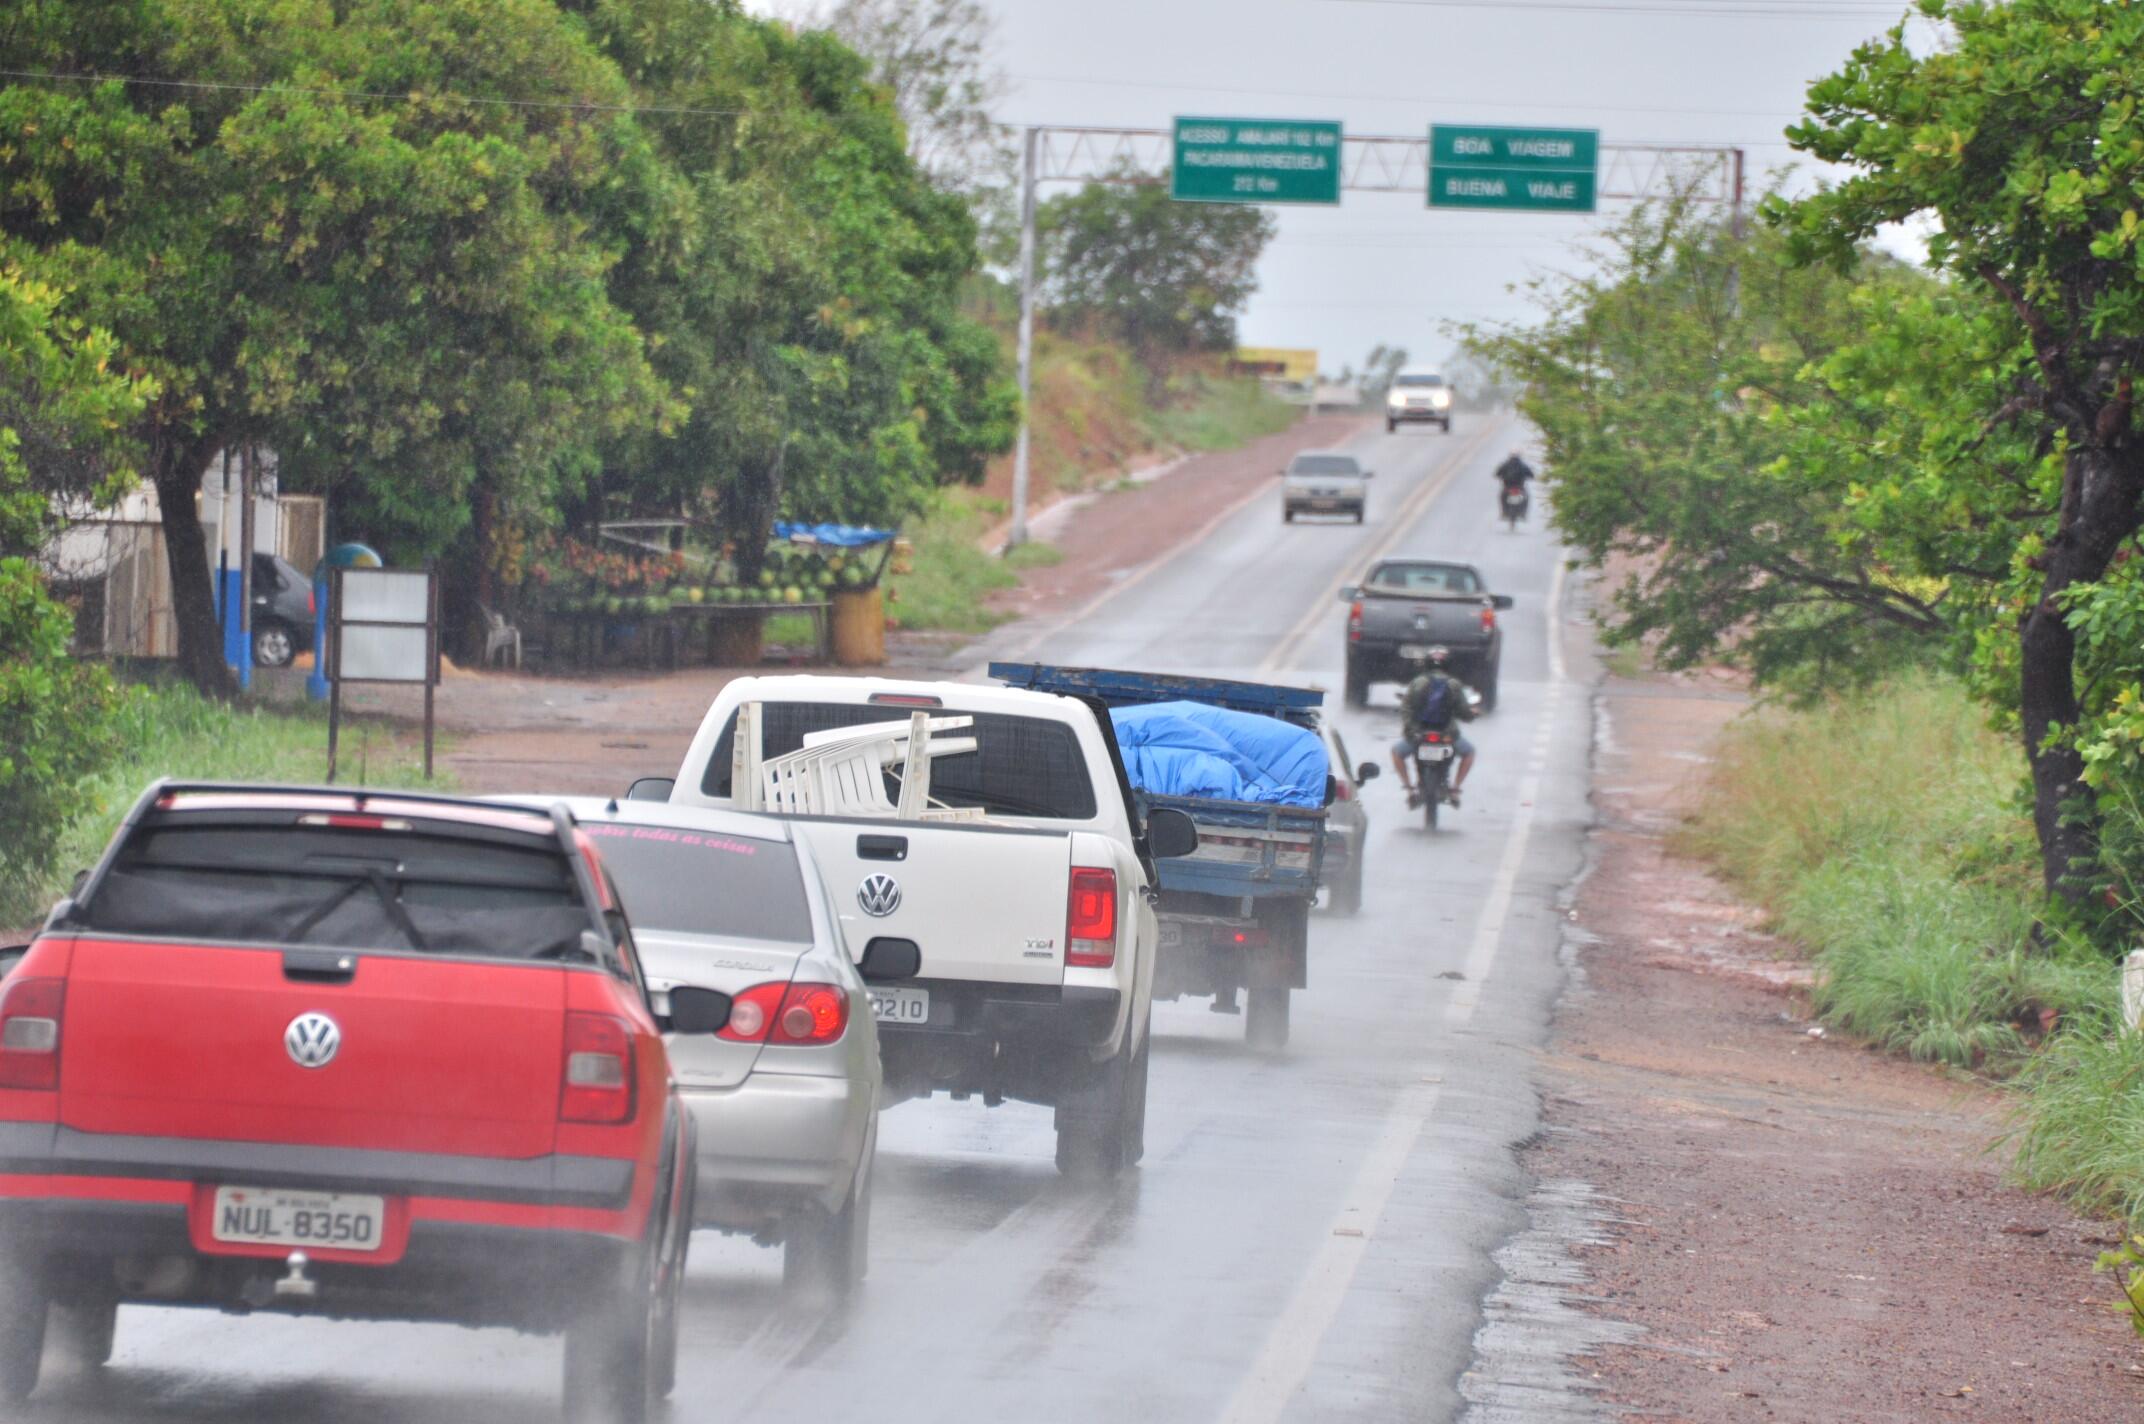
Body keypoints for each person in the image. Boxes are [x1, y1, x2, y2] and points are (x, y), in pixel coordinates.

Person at [1390, 647, 1477, 808]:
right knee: (1469, 752)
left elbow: (1406, 708)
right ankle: (1455, 789)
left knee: (1396, 752)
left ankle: (1410, 789)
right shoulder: (1454, 685)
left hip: (1418, 734)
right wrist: (1472, 713)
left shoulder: (1417, 683)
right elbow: (1464, 713)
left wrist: (1411, 730)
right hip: (1447, 734)